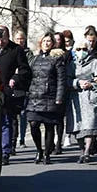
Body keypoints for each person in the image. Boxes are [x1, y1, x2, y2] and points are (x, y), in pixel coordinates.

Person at [0, 26, 31, 165]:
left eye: (4, 38)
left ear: (8, 36)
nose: (1, 41)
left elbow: (25, 70)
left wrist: (16, 78)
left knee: (6, 121)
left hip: (6, 91)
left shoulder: (16, 50)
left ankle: (5, 152)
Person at [26, 33, 66, 164]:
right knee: (33, 124)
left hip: (50, 96)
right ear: (40, 42)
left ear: (53, 43)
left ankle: (47, 153)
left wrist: (59, 97)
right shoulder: (35, 59)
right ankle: (39, 150)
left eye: (49, 41)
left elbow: (61, 79)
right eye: (44, 41)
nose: (47, 43)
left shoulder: (57, 59)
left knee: (49, 127)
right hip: (34, 97)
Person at [69, 41, 97, 163]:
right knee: (78, 126)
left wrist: (92, 84)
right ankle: (81, 149)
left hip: (90, 96)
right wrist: (77, 83)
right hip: (76, 97)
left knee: (89, 126)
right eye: (78, 49)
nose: (81, 52)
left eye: (83, 49)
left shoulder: (95, 63)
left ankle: (88, 151)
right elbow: (67, 80)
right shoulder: (72, 64)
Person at [12, 30, 33, 149]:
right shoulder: (11, 51)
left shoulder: (28, 53)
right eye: (17, 39)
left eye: (22, 39)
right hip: (14, 86)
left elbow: (28, 69)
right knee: (13, 116)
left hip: (24, 86)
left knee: (23, 114)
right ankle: (13, 140)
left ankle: (22, 138)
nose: (20, 41)